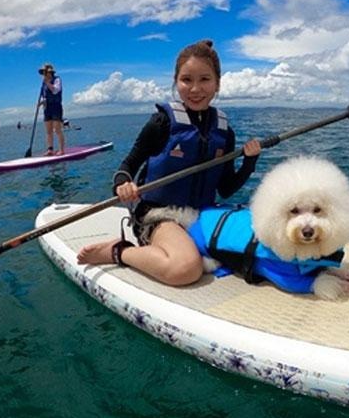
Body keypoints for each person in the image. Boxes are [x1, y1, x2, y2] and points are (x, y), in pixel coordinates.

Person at [77, 39, 262, 286]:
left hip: (200, 215)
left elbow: (226, 188)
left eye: (204, 79)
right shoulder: (161, 123)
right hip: (157, 215)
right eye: (187, 80)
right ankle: (118, 251)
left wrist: (249, 162)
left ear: (217, 83)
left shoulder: (225, 132)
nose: (195, 89)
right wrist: (123, 185)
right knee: (185, 268)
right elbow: (127, 166)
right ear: (176, 82)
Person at [38, 63, 65, 155]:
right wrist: (41, 102)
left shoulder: (57, 79)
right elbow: (43, 95)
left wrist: (47, 83)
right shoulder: (43, 84)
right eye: (44, 73)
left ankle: (61, 150)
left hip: (56, 106)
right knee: (48, 130)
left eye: (46, 73)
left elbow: (55, 90)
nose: (45, 75)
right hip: (47, 108)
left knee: (57, 129)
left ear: (50, 73)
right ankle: (50, 149)